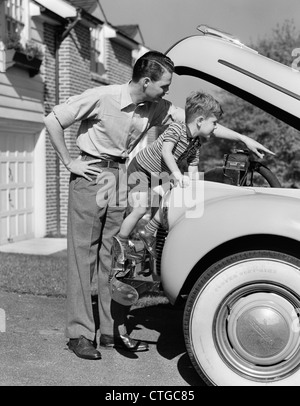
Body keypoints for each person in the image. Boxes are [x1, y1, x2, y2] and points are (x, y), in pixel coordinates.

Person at [44, 51, 273, 361]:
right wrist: (70, 162)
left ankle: (110, 333)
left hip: (121, 176)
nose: (168, 92)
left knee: (111, 257)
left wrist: (244, 138)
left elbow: (204, 124)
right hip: (91, 174)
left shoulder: (158, 107)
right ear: (147, 81)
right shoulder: (102, 97)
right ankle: (80, 334)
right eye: (165, 86)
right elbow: (53, 119)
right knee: (83, 257)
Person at [116, 91, 274, 259]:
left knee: (173, 200)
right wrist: (177, 175)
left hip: (160, 173)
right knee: (140, 209)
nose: (215, 127)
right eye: (214, 123)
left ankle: (148, 232)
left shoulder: (196, 143)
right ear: (200, 121)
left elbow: (193, 167)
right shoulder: (176, 128)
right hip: (141, 168)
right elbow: (166, 152)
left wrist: (192, 187)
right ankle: (121, 242)